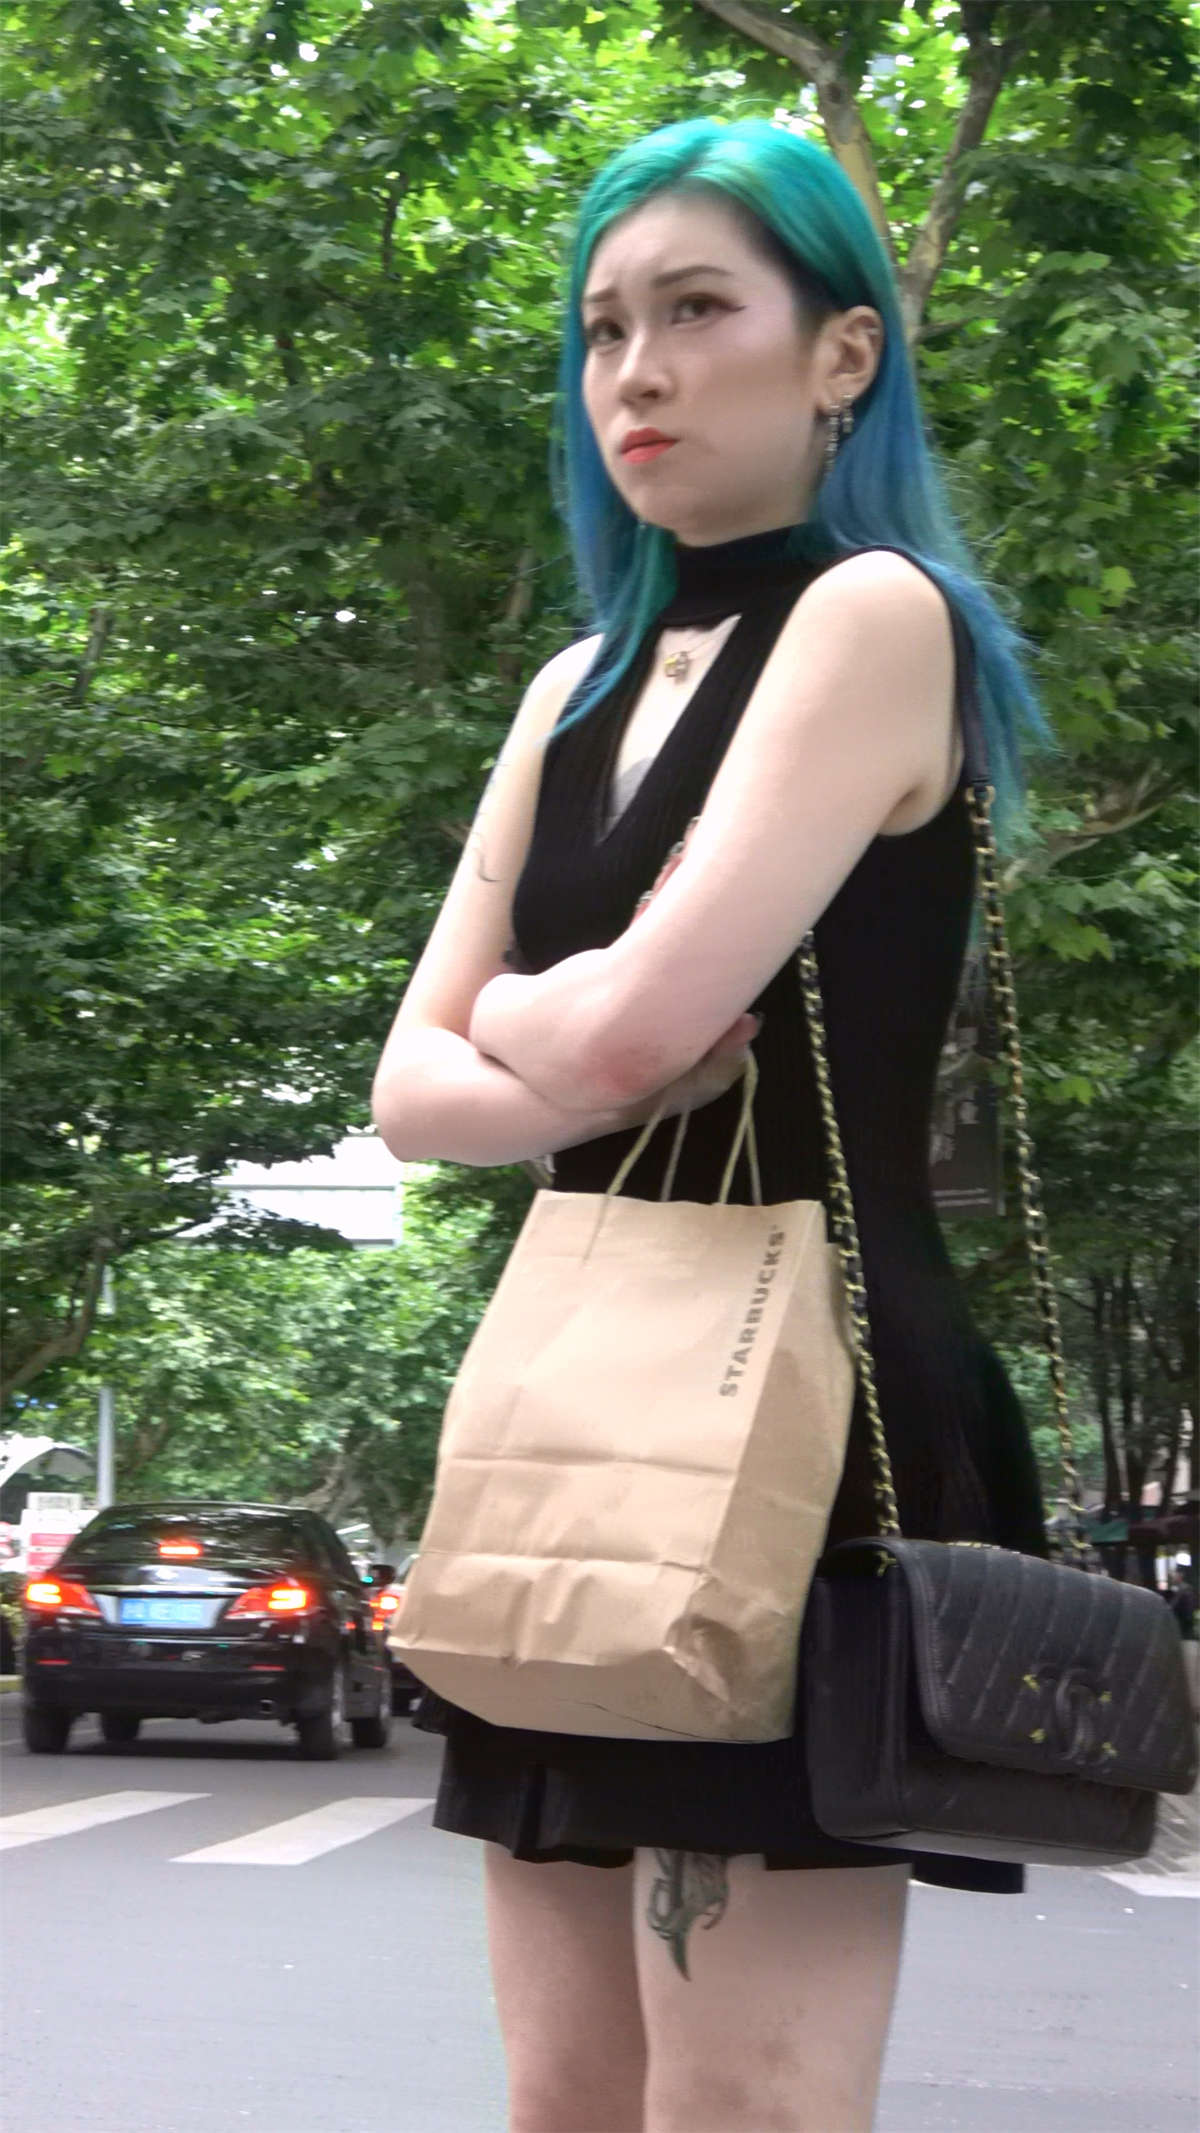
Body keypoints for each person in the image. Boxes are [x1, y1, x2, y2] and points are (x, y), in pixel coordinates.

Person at [372, 116, 1050, 2133]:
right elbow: (411, 1093)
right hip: (581, 1414)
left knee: (748, 2102)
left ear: (842, 351)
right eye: (602, 330)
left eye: (694, 311)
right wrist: (561, 1033)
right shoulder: (570, 688)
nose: (636, 374)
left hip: (807, 1396)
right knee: (566, 2092)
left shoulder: (876, 617)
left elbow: (635, 1025)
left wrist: (534, 1021)